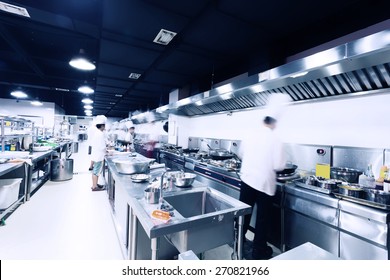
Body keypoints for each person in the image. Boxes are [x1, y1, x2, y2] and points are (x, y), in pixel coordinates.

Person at [239, 115, 287, 260]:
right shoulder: (276, 139)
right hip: (264, 183)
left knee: (244, 214)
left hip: (247, 179)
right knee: (262, 219)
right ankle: (259, 251)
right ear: (273, 123)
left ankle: (238, 243)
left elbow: (241, 153)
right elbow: (279, 165)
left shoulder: (250, 134)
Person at [90, 115, 107, 191]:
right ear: (102, 126)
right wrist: (107, 151)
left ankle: (95, 184)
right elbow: (102, 146)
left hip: (96, 154)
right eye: (104, 125)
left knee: (95, 171)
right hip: (99, 156)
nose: (105, 127)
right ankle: (94, 187)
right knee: (96, 171)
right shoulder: (100, 134)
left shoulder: (97, 132)